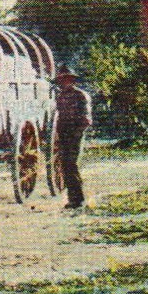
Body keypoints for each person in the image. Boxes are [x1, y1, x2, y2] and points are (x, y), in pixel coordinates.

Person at [54, 66, 94, 209]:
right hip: (64, 134)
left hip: (75, 134)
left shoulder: (81, 95)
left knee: (72, 165)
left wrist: (76, 134)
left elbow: (86, 119)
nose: (64, 83)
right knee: (65, 166)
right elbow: (58, 117)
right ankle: (74, 199)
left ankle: (79, 199)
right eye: (62, 80)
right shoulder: (61, 97)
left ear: (72, 80)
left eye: (67, 80)